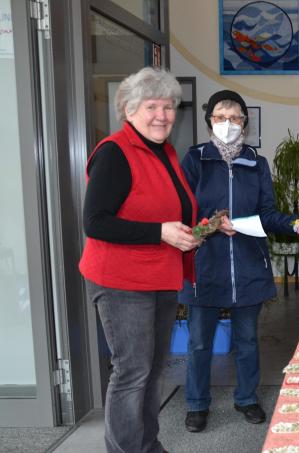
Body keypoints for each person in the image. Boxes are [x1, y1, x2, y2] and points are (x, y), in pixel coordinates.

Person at [179, 90, 299, 433]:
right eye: (220, 117)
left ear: (244, 123)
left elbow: (267, 213)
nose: (228, 123)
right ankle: (197, 403)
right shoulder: (195, 159)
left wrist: (295, 223)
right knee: (200, 342)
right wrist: (212, 224)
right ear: (209, 121)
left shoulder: (256, 162)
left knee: (247, 340)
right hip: (204, 266)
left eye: (235, 117)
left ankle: (246, 398)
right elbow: (182, 212)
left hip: (247, 264)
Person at [80, 67, 199, 453]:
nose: (162, 115)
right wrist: (160, 233)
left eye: (168, 107)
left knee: (152, 371)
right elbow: (96, 222)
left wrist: (195, 231)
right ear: (129, 110)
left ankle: (147, 445)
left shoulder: (164, 151)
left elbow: (167, 209)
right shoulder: (114, 152)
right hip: (121, 282)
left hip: (160, 276)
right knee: (132, 372)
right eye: (152, 107)